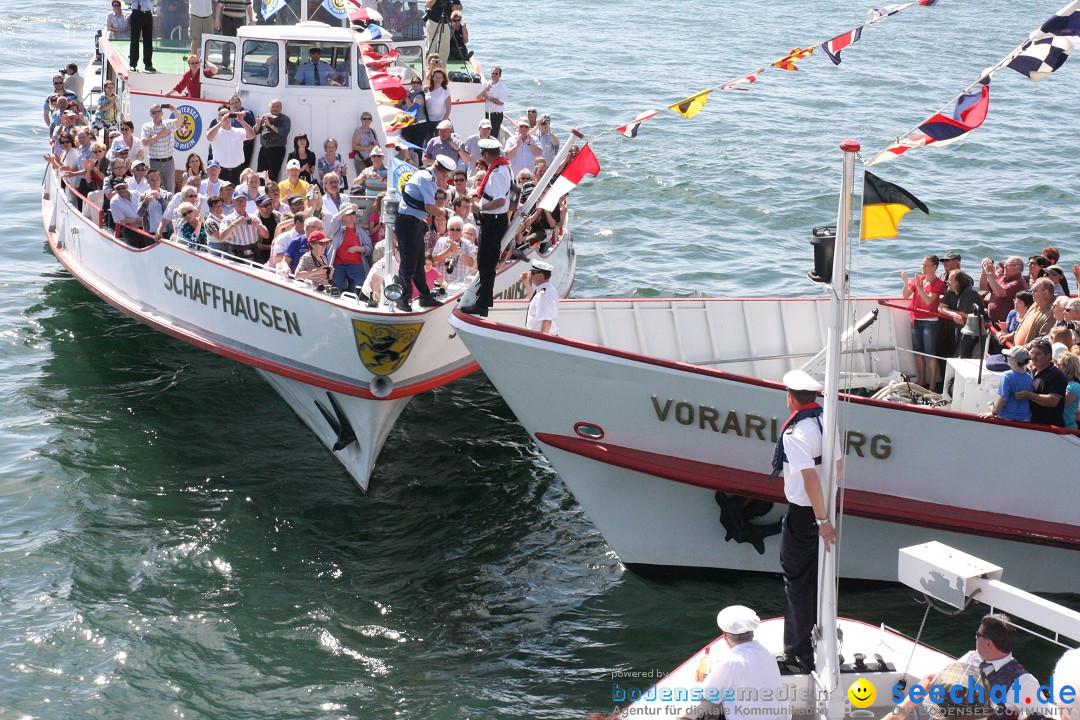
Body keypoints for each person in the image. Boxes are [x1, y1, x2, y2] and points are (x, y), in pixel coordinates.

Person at [772, 370, 838, 673]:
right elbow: (837, 466)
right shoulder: (827, 422)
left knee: (796, 581)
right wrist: (828, 510)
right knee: (816, 579)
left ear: (791, 398)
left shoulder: (796, 432)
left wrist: (821, 519)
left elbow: (808, 477)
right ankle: (814, 641)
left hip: (805, 513)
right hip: (823, 509)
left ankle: (798, 653)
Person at [883, 614, 1049, 720]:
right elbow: (937, 680)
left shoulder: (1023, 682)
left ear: (989, 643)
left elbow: (1045, 715)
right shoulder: (971, 657)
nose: (975, 638)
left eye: (978, 635)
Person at [678, 606, 789, 720]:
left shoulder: (731, 661)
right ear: (753, 633)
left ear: (725, 635)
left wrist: (699, 681)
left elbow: (706, 696)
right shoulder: (767, 652)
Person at [393, 154, 453, 312]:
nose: (445, 178)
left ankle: (425, 296)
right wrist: (443, 212)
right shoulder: (427, 179)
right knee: (409, 264)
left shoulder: (426, 176)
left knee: (418, 262)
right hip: (408, 223)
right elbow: (429, 208)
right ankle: (403, 298)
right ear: (442, 172)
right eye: (445, 174)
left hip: (414, 222)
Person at [460, 138, 511, 317]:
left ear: (487, 154)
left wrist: (480, 207)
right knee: (486, 262)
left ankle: (482, 305)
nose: (482, 157)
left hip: (493, 220)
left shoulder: (497, 173)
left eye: (483, 154)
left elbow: (499, 200)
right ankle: (483, 300)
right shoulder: (504, 167)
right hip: (496, 220)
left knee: (486, 264)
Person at [902, 255, 946, 389]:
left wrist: (918, 287)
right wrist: (905, 282)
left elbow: (928, 300)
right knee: (918, 353)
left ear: (934, 267)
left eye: (925, 265)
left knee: (930, 354)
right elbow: (905, 295)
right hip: (916, 320)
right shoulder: (919, 279)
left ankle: (932, 384)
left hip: (930, 322)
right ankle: (922, 381)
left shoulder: (938, 283)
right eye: (922, 264)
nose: (922, 267)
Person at [1016, 338, 1067, 426]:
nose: (1033, 357)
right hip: (1030, 425)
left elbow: (1053, 401)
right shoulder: (1030, 373)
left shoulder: (1057, 375)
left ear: (1048, 356)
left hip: (1047, 430)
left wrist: (1029, 395)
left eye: (1038, 354)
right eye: (1032, 353)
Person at [981, 346, 1033, 423]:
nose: (1006, 358)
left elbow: (1003, 398)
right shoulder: (1029, 377)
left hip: (1007, 417)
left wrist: (993, 412)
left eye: (1008, 356)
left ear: (1015, 360)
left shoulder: (1007, 375)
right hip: (1025, 418)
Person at [1000, 278, 1055, 347]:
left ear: (1046, 293)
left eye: (1035, 291)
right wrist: (1010, 336)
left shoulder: (1052, 312)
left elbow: (1042, 338)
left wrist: (1023, 349)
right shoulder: (1035, 304)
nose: (1032, 293)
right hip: (1016, 349)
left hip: (1027, 354)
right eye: (1031, 290)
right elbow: (1023, 327)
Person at [329, 204, 372, 294]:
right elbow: (333, 220)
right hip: (338, 266)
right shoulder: (337, 228)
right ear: (342, 216)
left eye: (353, 213)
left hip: (356, 266)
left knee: (357, 293)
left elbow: (369, 248)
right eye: (348, 214)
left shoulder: (360, 231)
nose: (352, 216)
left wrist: (357, 248)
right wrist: (348, 208)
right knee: (334, 292)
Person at [207, 105, 255, 184]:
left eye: (228, 114)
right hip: (220, 171)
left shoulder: (239, 131)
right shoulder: (216, 132)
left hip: (237, 170)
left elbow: (252, 135)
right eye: (223, 115)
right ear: (218, 118)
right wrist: (220, 123)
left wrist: (242, 121)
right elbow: (209, 137)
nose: (226, 117)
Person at [141, 103, 180, 191]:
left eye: (158, 111)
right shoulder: (146, 127)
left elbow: (181, 122)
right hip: (155, 162)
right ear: (150, 114)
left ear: (162, 113)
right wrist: (160, 135)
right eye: (154, 112)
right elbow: (145, 142)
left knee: (170, 189)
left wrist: (175, 111)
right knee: (154, 188)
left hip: (168, 162)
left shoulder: (169, 123)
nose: (156, 114)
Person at [980, 255, 1027, 325]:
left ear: (1018, 268)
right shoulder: (1004, 279)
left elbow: (1000, 292)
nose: (1004, 266)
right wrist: (984, 270)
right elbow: (984, 287)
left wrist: (989, 273)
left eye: (1007, 265)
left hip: (1004, 326)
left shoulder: (1018, 282)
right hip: (993, 322)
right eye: (1005, 264)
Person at [432, 217, 476, 286]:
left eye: (458, 230)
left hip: (460, 285)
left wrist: (459, 252)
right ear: (448, 230)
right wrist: (448, 250)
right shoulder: (441, 241)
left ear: (462, 231)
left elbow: (471, 263)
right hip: (442, 284)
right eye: (452, 229)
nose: (455, 232)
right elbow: (434, 261)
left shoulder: (467, 243)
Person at [521, 261, 559, 335]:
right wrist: (526, 282)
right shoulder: (545, 289)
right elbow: (534, 299)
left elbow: (547, 321)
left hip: (539, 339)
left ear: (541, 275)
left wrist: (542, 343)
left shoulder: (544, 295)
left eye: (532, 273)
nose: (530, 275)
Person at [215, 0, 253, 67]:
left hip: (240, 21)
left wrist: (251, 20)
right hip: (227, 20)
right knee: (226, 43)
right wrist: (217, 19)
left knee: (239, 43)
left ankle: (238, 65)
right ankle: (225, 65)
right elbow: (219, 5)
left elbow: (249, 6)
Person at [476, 67, 507, 137]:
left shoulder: (503, 87)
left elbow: (500, 102)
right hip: (485, 114)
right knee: (483, 135)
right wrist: (485, 91)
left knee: (493, 136)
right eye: (492, 73)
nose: (494, 75)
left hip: (496, 116)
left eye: (496, 74)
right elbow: (477, 97)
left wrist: (488, 98)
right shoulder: (485, 85)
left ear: (500, 75)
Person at [423, 0, 455, 65]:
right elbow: (428, 4)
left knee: (445, 47)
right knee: (430, 46)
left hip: (446, 22)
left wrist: (455, 7)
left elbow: (460, 7)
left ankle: (442, 67)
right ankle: (428, 67)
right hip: (432, 21)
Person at [128, 0, 155, 73]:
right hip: (136, 13)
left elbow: (155, 2)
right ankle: (133, 64)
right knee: (134, 40)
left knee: (148, 40)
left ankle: (148, 64)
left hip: (148, 13)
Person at [1057, 352, 1080, 430]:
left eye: (1059, 365)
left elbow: (1058, 403)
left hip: (1068, 430)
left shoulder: (1074, 386)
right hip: (1061, 428)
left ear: (1068, 367)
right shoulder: (1064, 383)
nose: (1056, 367)